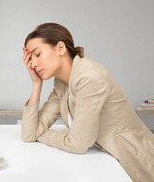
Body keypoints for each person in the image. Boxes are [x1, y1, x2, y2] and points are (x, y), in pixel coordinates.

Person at [21, 22, 154, 182]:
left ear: (60, 48)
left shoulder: (89, 78)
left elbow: (78, 144)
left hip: (136, 161)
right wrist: (36, 84)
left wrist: (41, 134)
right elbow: (29, 134)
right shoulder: (61, 83)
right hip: (107, 160)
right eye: (30, 58)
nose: (33, 64)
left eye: (37, 54)